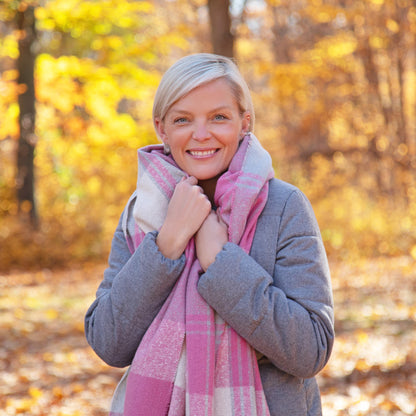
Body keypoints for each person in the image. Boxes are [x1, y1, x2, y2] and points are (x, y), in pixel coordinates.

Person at [85, 53, 334, 416]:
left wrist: (221, 263)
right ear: (162, 129)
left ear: (244, 123)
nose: (201, 134)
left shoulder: (284, 207)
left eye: (219, 117)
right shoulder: (141, 214)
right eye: (183, 119)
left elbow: (311, 349)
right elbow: (109, 342)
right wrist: (167, 244)